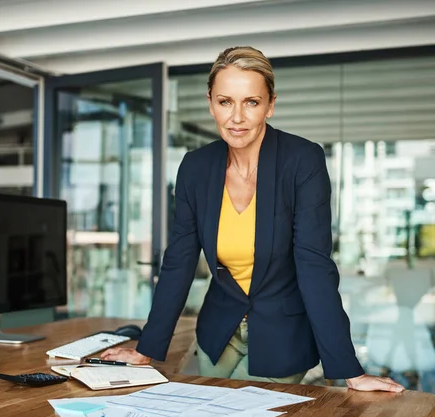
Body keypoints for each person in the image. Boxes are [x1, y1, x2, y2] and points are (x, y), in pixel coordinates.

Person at [102, 46, 404, 393]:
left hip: (281, 337)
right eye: (225, 101)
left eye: (252, 102)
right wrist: (146, 350)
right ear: (211, 103)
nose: (237, 117)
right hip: (218, 334)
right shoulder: (195, 168)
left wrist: (350, 370)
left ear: (270, 105)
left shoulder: (302, 161)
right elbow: (179, 262)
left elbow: (314, 266)